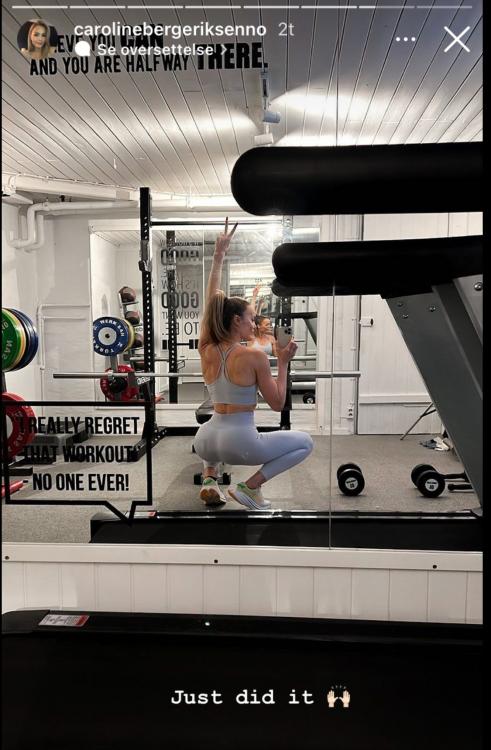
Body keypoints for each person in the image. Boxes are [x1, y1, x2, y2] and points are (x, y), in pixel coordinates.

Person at [194, 219, 314, 510]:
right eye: (250, 317)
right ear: (237, 320)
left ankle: (210, 479)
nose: (254, 323)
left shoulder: (206, 347)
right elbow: (277, 404)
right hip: (240, 443)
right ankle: (250, 487)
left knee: (215, 438)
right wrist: (283, 363)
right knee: (305, 443)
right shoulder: (254, 356)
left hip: (205, 440)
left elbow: (211, 307)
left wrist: (218, 257)